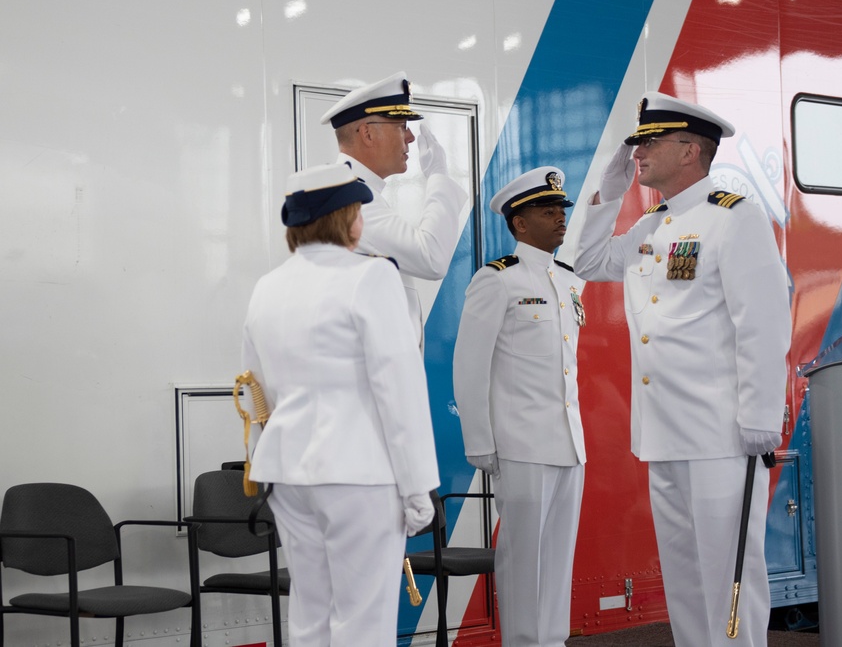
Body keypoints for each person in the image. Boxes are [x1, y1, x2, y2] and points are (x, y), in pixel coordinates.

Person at [574, 93, 791, 647]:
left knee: (731, 583)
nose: (639, 151)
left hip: (722, 433)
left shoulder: (732, 218)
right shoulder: (653, 224)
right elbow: (588, 261)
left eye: (651, 141)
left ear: (690, 150)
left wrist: (760, 418)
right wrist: (611, 191)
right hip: (664, 433)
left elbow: (762, 323)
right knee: (687, 586)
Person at [241, 161, 440, 646]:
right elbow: (399, 389)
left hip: (287, 472)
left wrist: (263, 461)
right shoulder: (371, 277)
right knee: (363, 624)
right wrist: (419, 491)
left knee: (310, 618)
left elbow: (253, 390)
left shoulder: (267, 286)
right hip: (359, 475)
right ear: (347, 219)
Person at [453, 167, 587, 647]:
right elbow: (470, 365)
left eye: (561, 210)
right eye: (546, 210)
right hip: (521, 442)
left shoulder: (569, 280)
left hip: (568, 442)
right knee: (522, 557)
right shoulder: (496, 280)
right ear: (519, 223)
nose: (558, 217)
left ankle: (553, 641)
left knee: (557, 559)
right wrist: (479, 441)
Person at [320, 71, 467, 347]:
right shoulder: (348, 199)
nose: (410, 137)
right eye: (401, 125)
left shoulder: (357, 191)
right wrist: (438, 177)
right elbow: (431, 258)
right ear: (367, 134)